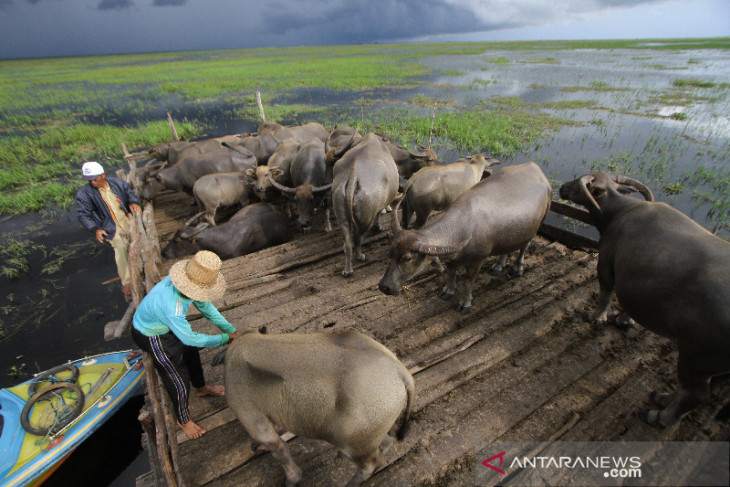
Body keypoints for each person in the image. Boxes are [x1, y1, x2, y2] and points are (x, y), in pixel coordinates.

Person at [131, 250, 239, 439]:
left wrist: (229, 329)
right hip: (152, 335)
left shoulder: (187, 285)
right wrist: (223, 339)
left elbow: (208, 309)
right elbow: (190, 338)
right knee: (177, 377)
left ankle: (201, 387)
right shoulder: (173, 306)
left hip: (167, 325)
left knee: (191, 355)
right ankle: (183, 419)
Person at [75, 161, 142, 301]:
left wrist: (133, 202)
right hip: (110, 226)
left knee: (138, 239)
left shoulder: (116, 183)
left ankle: (141, 264)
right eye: (90, 180)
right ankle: (127, 281)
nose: (92, 182)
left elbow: (129, 193)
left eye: (94, 179)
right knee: (120, 246)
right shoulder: (84, 194)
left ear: (103, 175)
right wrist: (95, 229)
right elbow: (83, 215)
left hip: (126, 219)